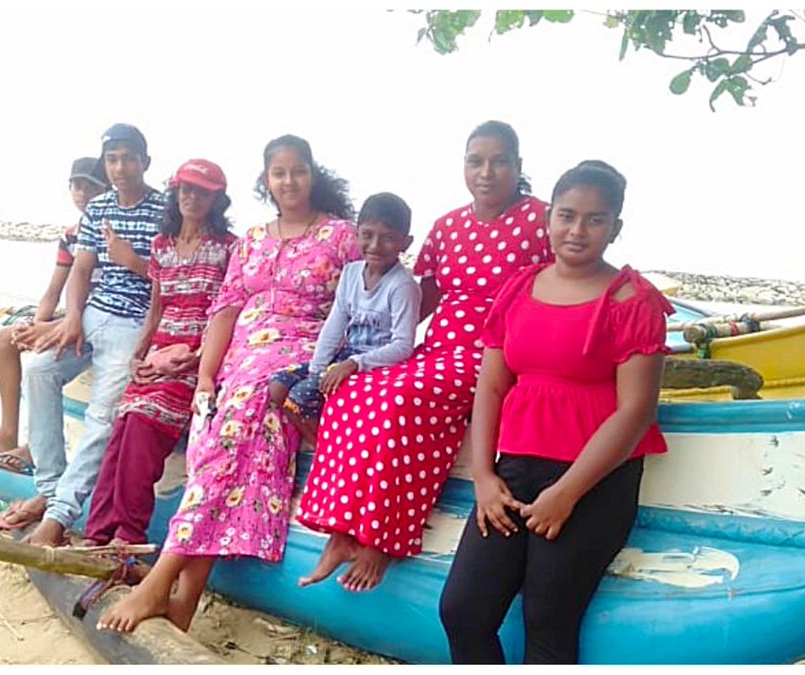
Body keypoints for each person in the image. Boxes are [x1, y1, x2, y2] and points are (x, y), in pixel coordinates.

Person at [96, 134, 359, 634]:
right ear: (266, 181)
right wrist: (206, 377)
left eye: (298, 170)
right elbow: (225, 311)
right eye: (278, 173)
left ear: (312, 173)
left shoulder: (341, 236)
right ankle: (184, 602)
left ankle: (161, 581)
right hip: (243, 355)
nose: (289, 181)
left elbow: (361, 303)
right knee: (216, 429)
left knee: (241, 418)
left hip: (301, 352)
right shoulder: (253, 240)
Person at [297, 121, 550, 592]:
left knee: (402, 398)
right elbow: (422, 300)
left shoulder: (541, 219)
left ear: (518, 165)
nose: (487, 172)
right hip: (438, 347)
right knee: (351, 388)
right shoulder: (448, 226)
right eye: (476, 161)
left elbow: (561, 289)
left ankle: (381, 540)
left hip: (495, 350)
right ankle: (341, 530)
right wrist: (376, 350)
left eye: (499, 161)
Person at [438, 161, 674, 664]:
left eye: (595, 219)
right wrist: (482, 474)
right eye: (567, 215)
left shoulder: (632, 300)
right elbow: (492, 386)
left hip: (593, 481)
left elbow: (634, 411)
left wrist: (565, 494)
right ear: (548, 218)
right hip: (515, 470)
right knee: (463, 611)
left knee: (547, 622)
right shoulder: (519, 289)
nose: (577, 230)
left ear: (616, 227)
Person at [1, 124, 166, 544]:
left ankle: (58, 516)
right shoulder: (99, 208)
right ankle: (50, 487)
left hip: (135, 325)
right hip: (93, 315)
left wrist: (131, 261)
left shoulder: (166, 212)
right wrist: (71, 316)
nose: (121, 167)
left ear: (145, 162)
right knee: (39, 371)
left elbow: (175, 281)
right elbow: (81, 268)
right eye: (112, 159)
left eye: (129, 158)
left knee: (101, 415)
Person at [82, 159, 237, 547]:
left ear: (216, 199)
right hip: (159, 352)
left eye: (201, 191)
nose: (191, 197)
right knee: (120, 433)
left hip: (196, 359)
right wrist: (138, 354)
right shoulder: (161, 245)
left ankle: (129, 535)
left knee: (142, 427)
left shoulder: (229, 249)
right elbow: (156, 307)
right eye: (185, 189)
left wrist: (201, 355)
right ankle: (97, 534)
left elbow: (229, 312)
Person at [0, 157, 108, 475]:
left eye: (90, 187)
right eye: (76, 185)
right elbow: (54, 289)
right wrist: (37, 323)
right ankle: (7, 432)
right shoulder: (71, 235)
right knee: (6, 339)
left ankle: (36, 449)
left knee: (42, 366)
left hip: (97, 317)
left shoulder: (112, 231)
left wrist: (55, 326)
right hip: (71, 313)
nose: (81, 193)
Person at [268, 192, 420, 444]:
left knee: (300, 398)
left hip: (375, 367)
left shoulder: (402, 285)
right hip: (345, 358)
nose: (374, 246)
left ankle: (330, 455)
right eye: (367, 235)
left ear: (406, 242)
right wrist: (317, 369)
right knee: (278, 387)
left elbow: (403, 346)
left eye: (387, 239)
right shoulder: (351, 273)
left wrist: (353, 364)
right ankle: (323, 448)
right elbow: (335, 325)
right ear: (357, 233)